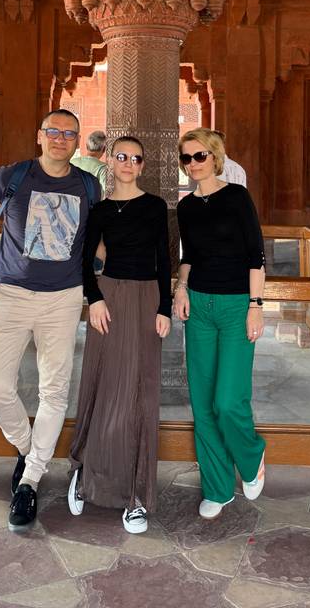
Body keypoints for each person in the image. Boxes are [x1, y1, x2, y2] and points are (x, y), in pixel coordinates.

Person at [0, 109, 101, 532]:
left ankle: (29, 482)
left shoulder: (88, 185)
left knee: (54, 390)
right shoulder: (12, 177)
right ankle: (31, 450)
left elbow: (98, 240)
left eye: (69, 134)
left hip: (63, 298)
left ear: (77, 142)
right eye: (54, 131)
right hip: (10, 293)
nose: (60, 139)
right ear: (39, 136)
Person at [67, 136, 172, 533]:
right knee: (104, 386)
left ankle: (135, 497)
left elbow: (164, 257)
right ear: (110, 161)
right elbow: (83, 258)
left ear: (143, 166)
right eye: (121, 156)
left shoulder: (155, 206)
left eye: (136, 158)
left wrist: (164, 306)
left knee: (139, 395)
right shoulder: (101, 209)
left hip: (146, 301)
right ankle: (85, 472)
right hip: (108, 299)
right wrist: (94, 299)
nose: (128, 163)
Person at [173, 127, 267, 519]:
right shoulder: (187, 207)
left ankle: (251, 455)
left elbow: (255, 254)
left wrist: (256, 305)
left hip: (234, 306)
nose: (193, 164)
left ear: (215, 157)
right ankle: (216, 487)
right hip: (198, 306)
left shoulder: (236, 197)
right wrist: (180, 289)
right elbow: (189, 254)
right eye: (187, 158)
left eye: (200, 156)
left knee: (228, 401)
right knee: (203, 403)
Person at [70, 129, 109, 195]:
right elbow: (109, 192)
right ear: (104, 149)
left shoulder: (72, 162)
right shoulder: (103, 168)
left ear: (86, 146)